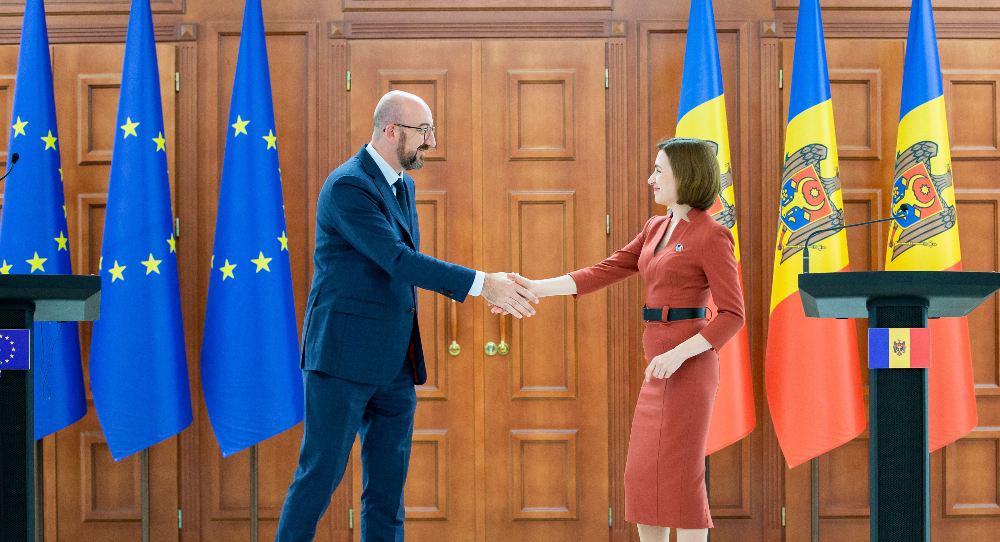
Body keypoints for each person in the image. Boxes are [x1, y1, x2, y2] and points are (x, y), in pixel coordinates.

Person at [276, 90, 537, 542]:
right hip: (340, 362)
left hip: (394, 364)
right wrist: (483, 283)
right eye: (424, 131)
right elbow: (397, 260)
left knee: (387, 493)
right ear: (391, 130)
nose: (431, 142)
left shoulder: (404, 185)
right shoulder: (348, 186)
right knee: (318, 478)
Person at [504, 138, 745, 542]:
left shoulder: (712, 235)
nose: (651, 179)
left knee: (682, 478)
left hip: (689, 370)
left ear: (685, 176)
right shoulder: (656, 227)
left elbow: (733, 315)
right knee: (642, 476)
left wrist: (679, 355)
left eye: (659, 171)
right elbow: (605, 269)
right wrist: (533, 288)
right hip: (658, 368)